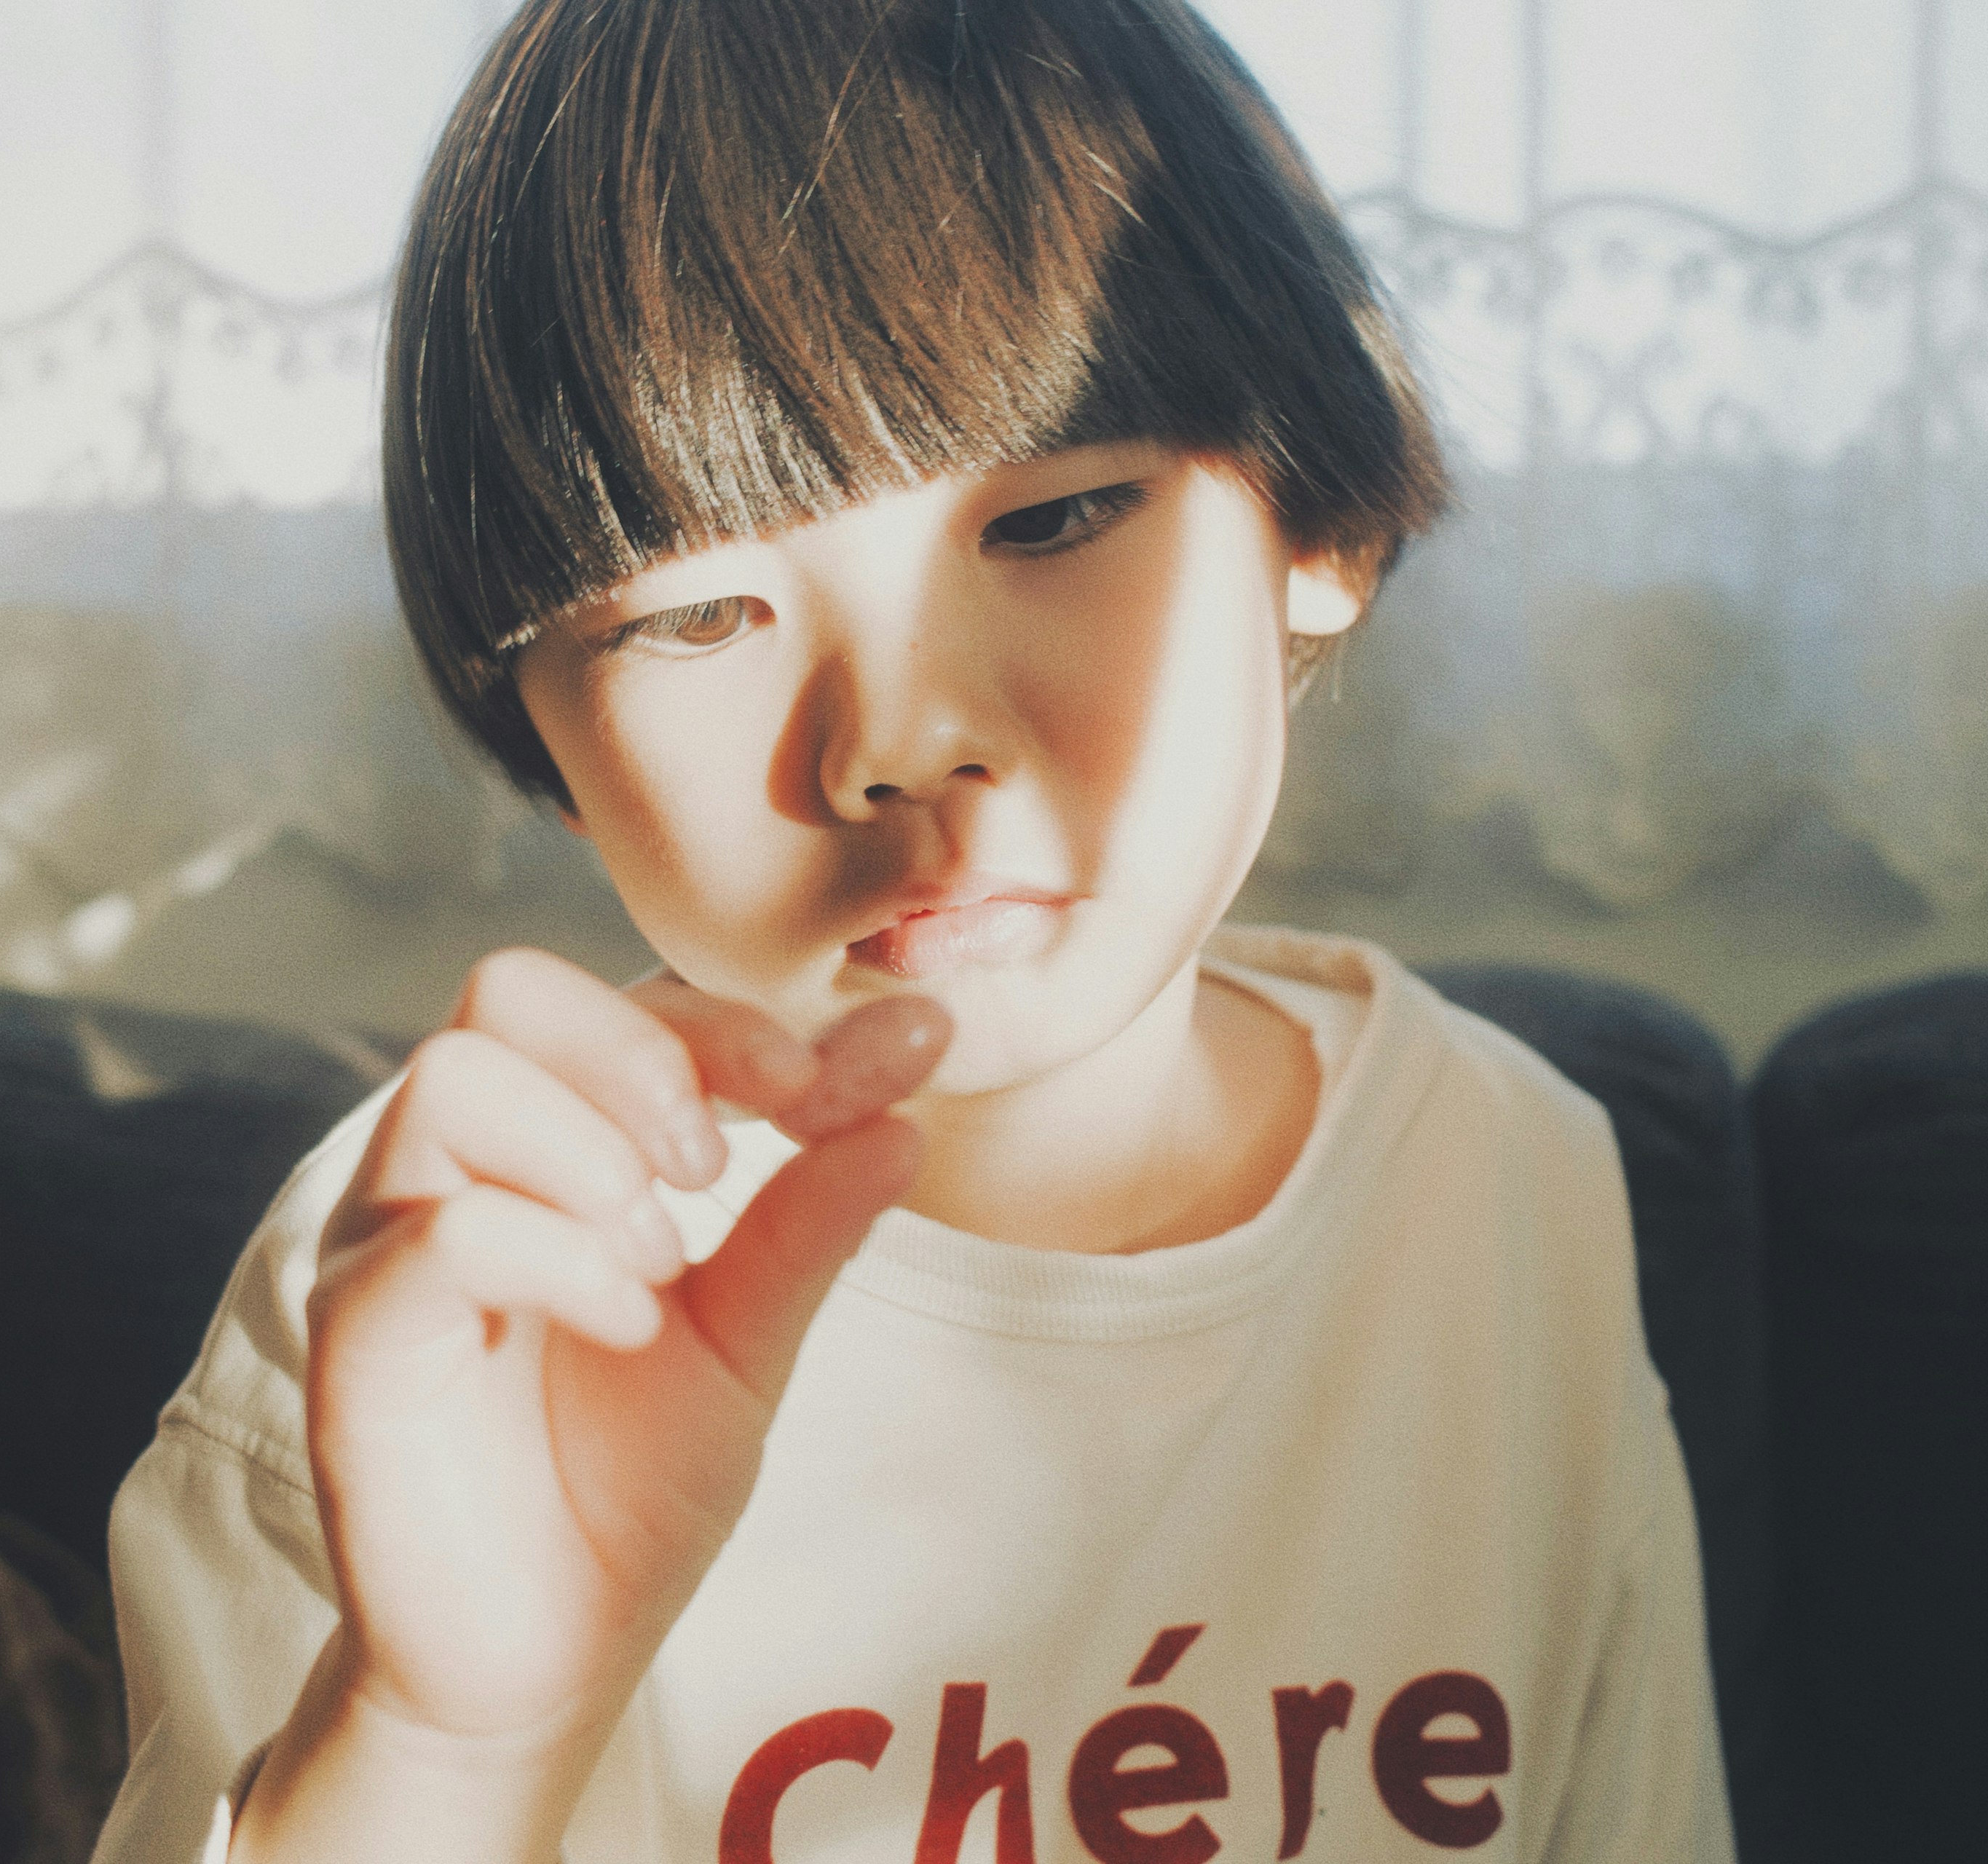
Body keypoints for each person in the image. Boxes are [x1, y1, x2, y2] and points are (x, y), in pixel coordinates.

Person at [95, 0, 1735, 1858]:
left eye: (1057, 519)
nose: (895, 736)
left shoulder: (1514, 1181)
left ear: (1323, 523)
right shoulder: (429, 1301)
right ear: (539, 740)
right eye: (695, 619)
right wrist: (447, 1738)